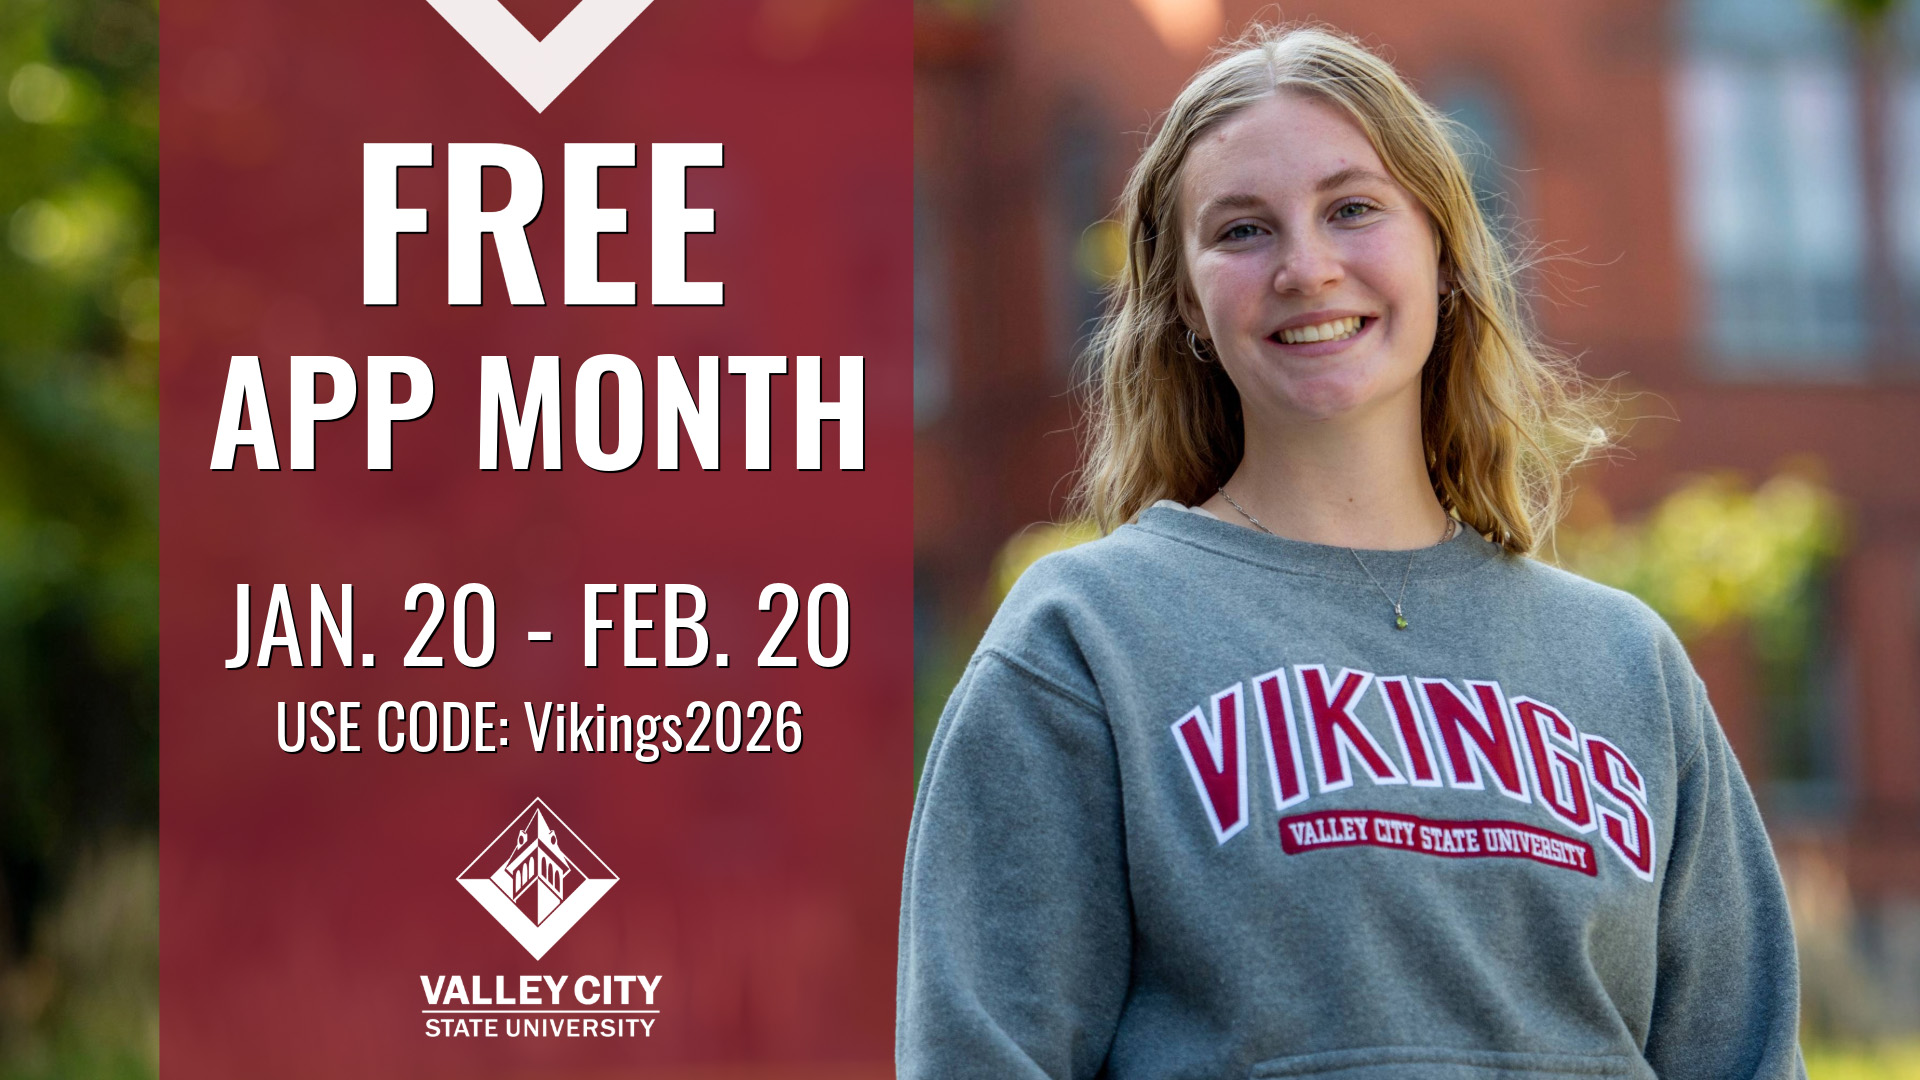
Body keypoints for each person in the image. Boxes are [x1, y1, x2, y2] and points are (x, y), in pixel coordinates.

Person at [897, 24, 1805, 1080]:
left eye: (1353, 209)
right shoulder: (1086, 641)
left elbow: (1741, 1054)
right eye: (1243, 230)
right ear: (1186, 299)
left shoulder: (1627, 665)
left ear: (1443, 249)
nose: (1307, 268)